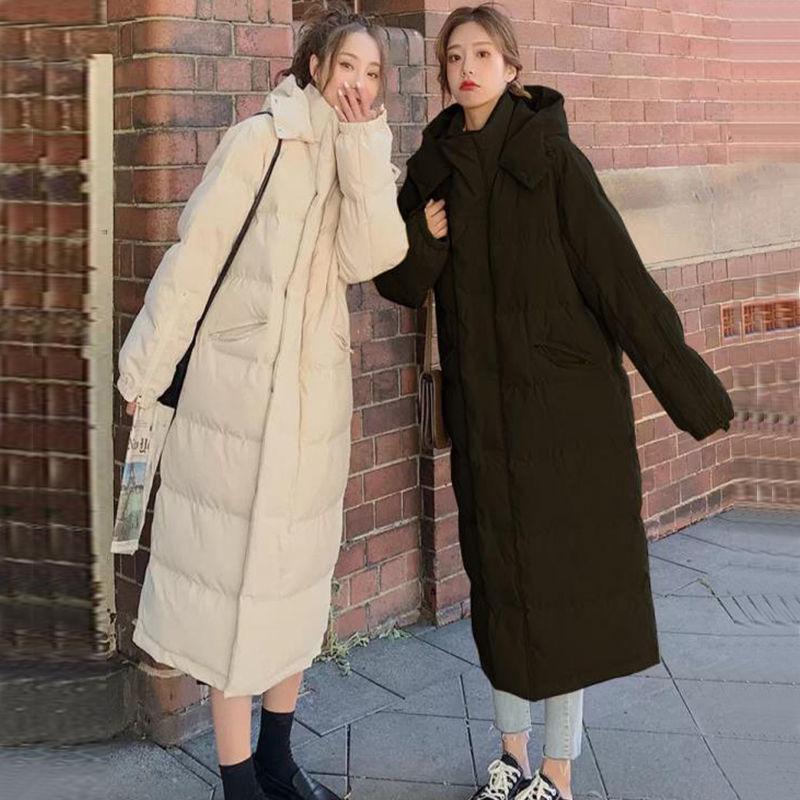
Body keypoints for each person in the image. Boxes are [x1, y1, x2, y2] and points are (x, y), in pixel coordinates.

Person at [374, 5, 734, 800]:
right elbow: (396, 282)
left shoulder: (553, 160)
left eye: (482, 54)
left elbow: (619, 279)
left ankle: (557, 772)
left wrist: (691, 391)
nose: (466, 68)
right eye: (454, 56)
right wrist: (425, 239)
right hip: (482, 416)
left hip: (561, 412)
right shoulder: (432, 169)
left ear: (511, 67)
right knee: (500, 589)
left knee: (558, 588)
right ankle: (510, 758)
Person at [115, 5, 408, 800]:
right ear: (315, 65)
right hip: (235, 402)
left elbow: (376, 255)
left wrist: (364, 146)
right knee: (232, 596)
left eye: (372, 73)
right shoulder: (261, 139)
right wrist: (145, 372)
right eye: (347, 66)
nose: (358, 83)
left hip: (312, 412)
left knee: (293, 591)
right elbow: (197, 257)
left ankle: (278, 760)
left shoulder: (359, 155)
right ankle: (238, 777)